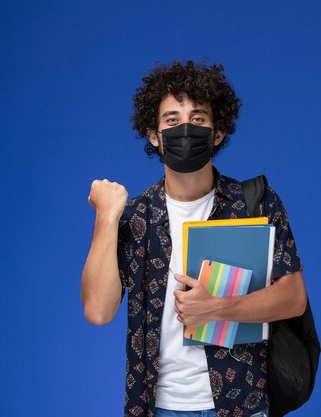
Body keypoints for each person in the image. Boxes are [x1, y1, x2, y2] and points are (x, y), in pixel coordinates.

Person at [81, 61, 307, 417]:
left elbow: (294, 298)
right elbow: (97, 310)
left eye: (198, 118)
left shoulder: (255, 204)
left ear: (217, 132)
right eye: (172, 120)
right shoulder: (135, 217)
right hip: (157, 406)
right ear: (153, 135)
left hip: (240, 403)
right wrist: (106, 218)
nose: (185, 128)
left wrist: (218, 308)